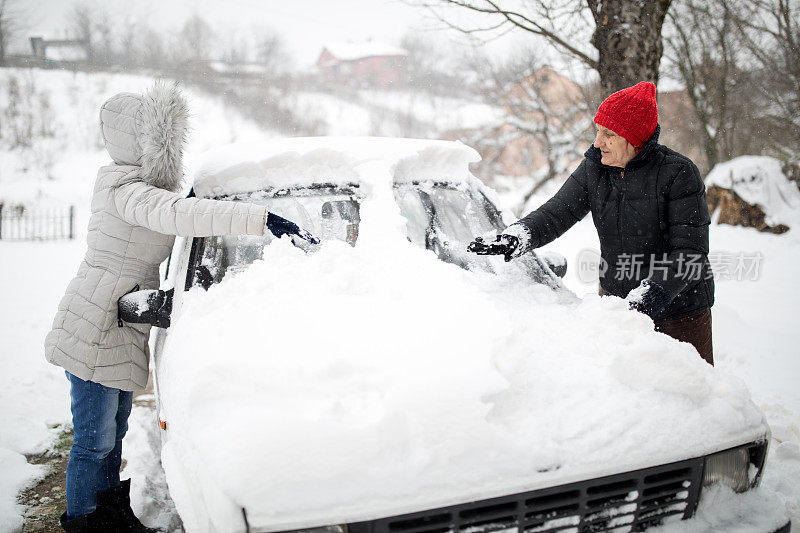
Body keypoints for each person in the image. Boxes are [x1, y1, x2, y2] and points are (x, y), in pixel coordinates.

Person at [44, 83, 316, 532]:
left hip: (121, 321)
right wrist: (261, 218)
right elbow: (176, 215)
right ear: (138, 140)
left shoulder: (141, 191)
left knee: (113, 440)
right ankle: (82, 521)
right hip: (93, 324)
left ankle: (111, 515)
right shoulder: (124, 189)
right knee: (93, 442)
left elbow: (174, 212)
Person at [469, 81, 714, 365]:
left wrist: (649, 297)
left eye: (608, 134)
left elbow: (690, 253)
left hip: (679, 310)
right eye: (597, 131)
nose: (598, 142)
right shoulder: (595, 167)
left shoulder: (678, 173)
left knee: (693, 396)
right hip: (616, 302)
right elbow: (558, 211)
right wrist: (518, 235)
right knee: (621, 396)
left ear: (634, 139)